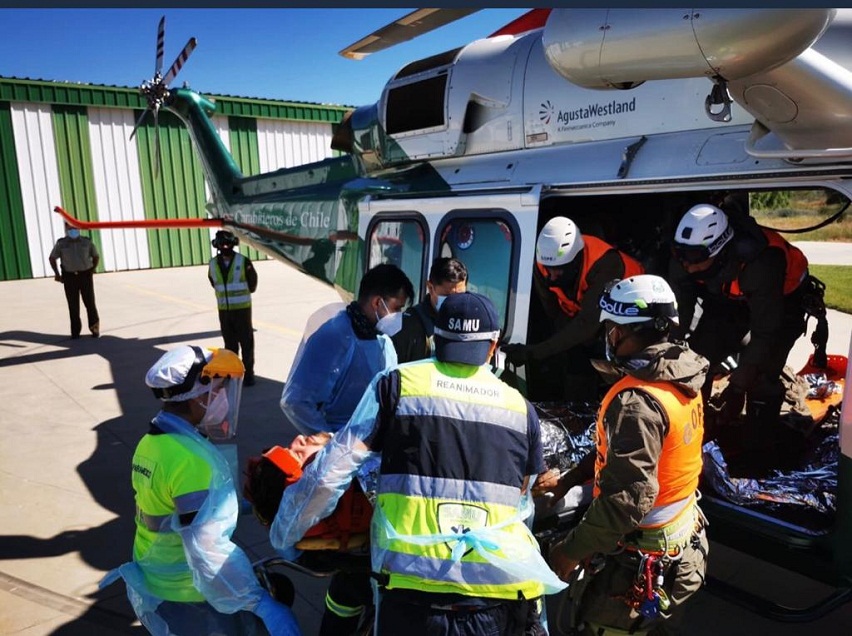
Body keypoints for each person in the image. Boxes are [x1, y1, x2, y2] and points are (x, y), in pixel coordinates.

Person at [272, 292, 567, 636]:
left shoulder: (396, 385)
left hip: (411, 592)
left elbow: (331, 471)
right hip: (493, 593)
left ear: (436, 338)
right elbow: (521, 501)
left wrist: (288, 534)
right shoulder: (520, 409)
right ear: (492, 346)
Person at [543, 275, 709, 636]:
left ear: (621, 331)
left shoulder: (637, 403)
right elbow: (632, 454)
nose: (608, 336)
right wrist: (573, 477)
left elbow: (626, 501)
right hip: (681, 546)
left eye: (610, 328)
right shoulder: (681, 372)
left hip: (637, 566)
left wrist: (570, 551)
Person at [100, 345, 299, 636]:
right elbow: (207, 551)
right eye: (218, 390)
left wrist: (244, 504)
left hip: (158, 577)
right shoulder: (192, 461)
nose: (223, 398)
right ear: (198, 397)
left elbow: (174, 513)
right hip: (189, 593)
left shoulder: (151, 443)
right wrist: (257, 601)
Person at [668, 201, 813, 429]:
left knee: (763, 372)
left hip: (784, 299)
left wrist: (737, 387)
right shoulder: (685, 259)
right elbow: (680, 313)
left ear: (720, 251)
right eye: (682, 255)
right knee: (697, 359)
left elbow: (766, 331)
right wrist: (671, 355)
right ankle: (694, 424)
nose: (689, 266)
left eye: (695, 257)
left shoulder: (762, 263)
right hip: (730, 298)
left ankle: (758, 434)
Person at [244, 433, 374, 636]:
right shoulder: (340, 478)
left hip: (355, 575)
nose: (299, 438)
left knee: (342, 597)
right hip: (388, 582)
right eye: (297, 455)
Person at [503, 216, 644, 400]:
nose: (552, 276)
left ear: (576, 260)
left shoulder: (605, 263)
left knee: (626, 372)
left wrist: (534, 353)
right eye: (549, 268)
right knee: (575, 362)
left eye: (559, 269)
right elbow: (555, 314)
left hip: (632, 320)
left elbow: (588, 324)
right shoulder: (542, 267)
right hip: (582, 320)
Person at [280, 263, 414, 435]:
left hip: (369, 441)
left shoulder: (383, 340)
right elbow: (296, 402)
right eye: (397, 308)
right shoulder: (335, 336)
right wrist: (330, 440)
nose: (399, 316)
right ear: (377, 302)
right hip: (342, 443)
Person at [391, 257, 468, 363]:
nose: (454, 303)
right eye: (448, 296)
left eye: (460, 296)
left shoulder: (470, 323)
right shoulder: (408, 326)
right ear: (430, 288)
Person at [208, 230, 259, 386]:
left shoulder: (243, 261)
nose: (225, 247)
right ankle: (233, 373)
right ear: (217, 245)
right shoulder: (213, 264)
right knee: (229, 344)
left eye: (227, 244)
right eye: (222, 244)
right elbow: (213, 282)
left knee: (246, 343)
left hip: (242, 310)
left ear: (233, 244)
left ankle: (248, 374)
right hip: (224, 311)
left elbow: (253, 283)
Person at [49, 223, 101, 339]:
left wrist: (92, 269)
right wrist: (57, 274)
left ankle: (94, 328)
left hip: (85, 275)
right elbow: (52, 258)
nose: (73, 230)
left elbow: (96, 256)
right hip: (69, 277)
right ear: (66, 229)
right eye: (70, 228)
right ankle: (75, 331)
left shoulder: (86, 242)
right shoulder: (61, 243)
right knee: (73, 305)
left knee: (90, 303)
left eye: (75, 228)